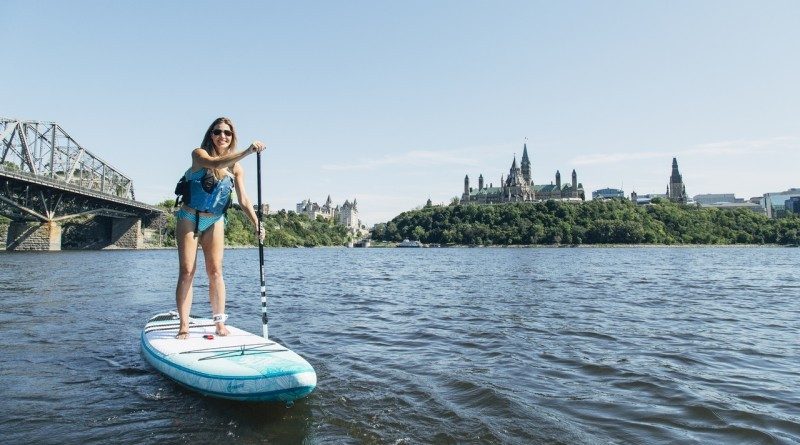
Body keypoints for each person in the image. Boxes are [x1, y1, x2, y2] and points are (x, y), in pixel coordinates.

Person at [174, 117, 266, 339]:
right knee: (187, 271)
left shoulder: (237, 168)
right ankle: (184, 325)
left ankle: (219, 323)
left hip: (215, 219)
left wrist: (257, 223)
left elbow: (243, 200)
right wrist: (247, 151)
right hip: (190, 216)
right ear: (210, 135)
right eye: (217, 132)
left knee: (215, 271)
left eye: (227, 133)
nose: (222, 136)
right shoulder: (199, 154)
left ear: (232, 136)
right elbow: (215, 165)